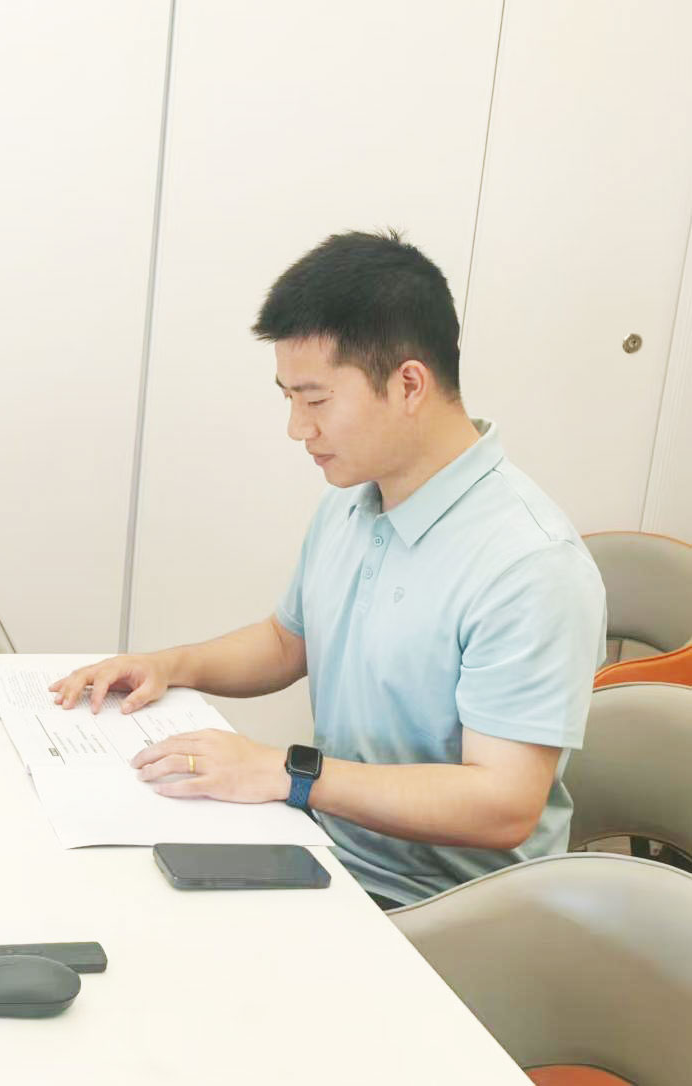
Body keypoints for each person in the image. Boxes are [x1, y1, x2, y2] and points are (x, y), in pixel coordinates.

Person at [51, 231, 606, 909]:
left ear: (408, 384)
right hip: (326, 851)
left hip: (451, 911)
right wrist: (167, 666)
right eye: (288, 398)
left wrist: (288, 773)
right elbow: (289, 642)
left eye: (315, 401)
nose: (297, 428)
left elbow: (503, 804)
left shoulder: (530, 566)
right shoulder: (353, 499)